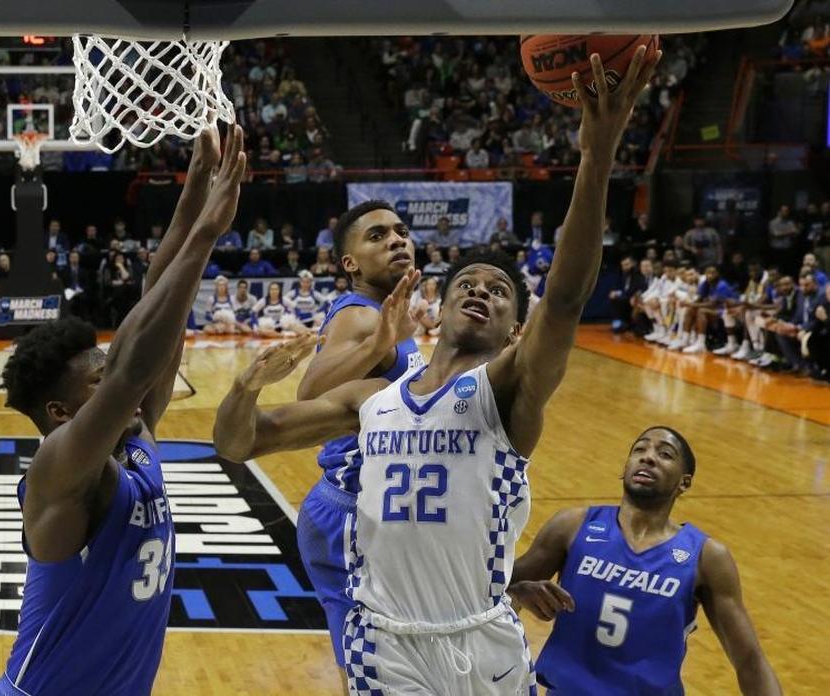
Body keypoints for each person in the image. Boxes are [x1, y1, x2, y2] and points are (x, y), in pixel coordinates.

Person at [212, 47, 661, 694]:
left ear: (514, 332)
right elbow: (238, 441)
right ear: (442, 303)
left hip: (485, 638)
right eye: (469, 282)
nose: (482, 289)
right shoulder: (376, 396)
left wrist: (595, 156)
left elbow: (565, 297)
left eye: (500, 290)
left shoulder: (507, 390)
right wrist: (247, 384)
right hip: (388, 645)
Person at [0, 126, 246, 696]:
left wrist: (195, 186)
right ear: (59, 410)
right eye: (95, 381)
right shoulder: (60, 465)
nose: (115, 384)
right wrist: (206, 233)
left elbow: (155, 303)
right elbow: (129, 372)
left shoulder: (134, 434)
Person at [508, 427, 782, 696]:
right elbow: (489, 591)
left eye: (665, 454)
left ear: (684, 482)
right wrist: (517, 592)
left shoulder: (706, 557)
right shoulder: (572, 526)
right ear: (624, 469)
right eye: (640, 449)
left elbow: (749, 661)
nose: (648, 457)